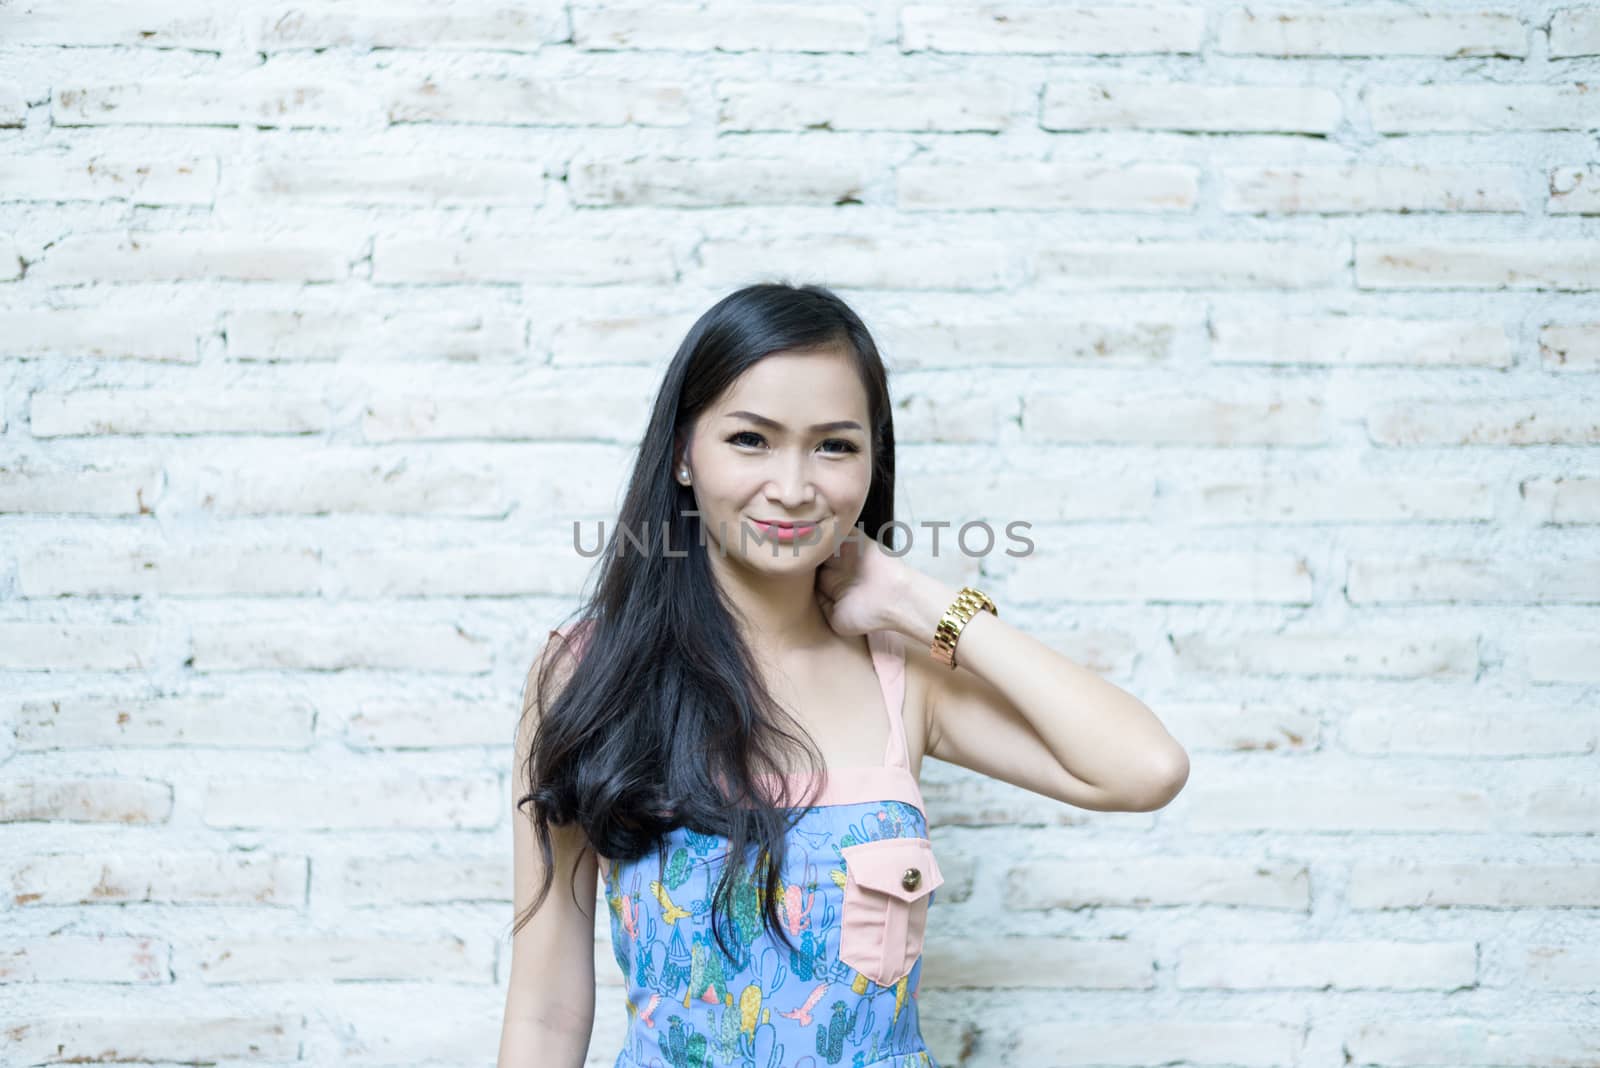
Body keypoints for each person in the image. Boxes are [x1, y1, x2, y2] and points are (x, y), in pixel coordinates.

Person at [496, 282, 1190, 1068]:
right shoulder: (587, 674)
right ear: (683, 454)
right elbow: (546, 1012)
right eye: (751, 440)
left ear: (871, 463)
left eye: (834, 445)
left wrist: (914, 598)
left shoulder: (903, 674)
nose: (793, 488)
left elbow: (1146, 769)